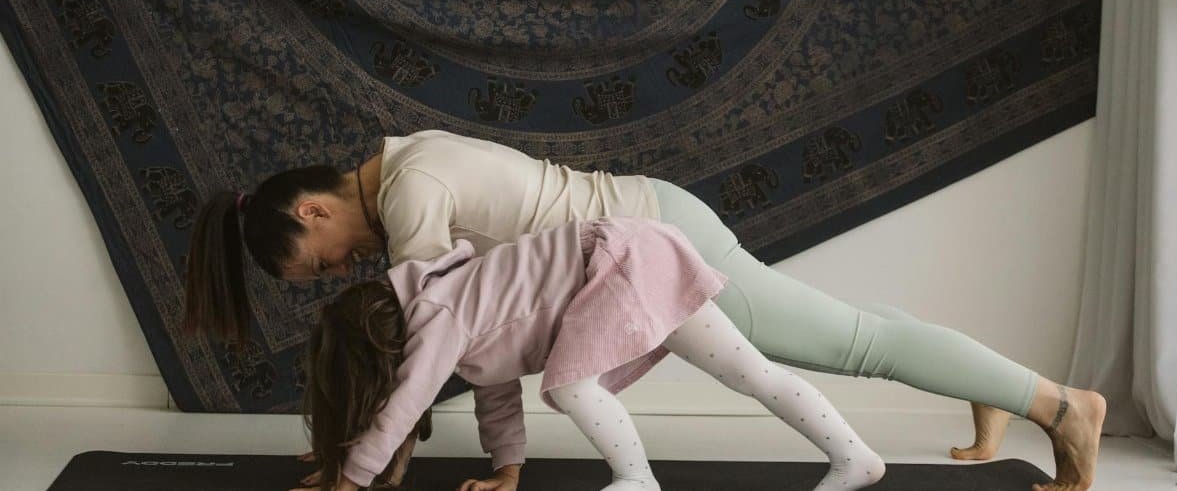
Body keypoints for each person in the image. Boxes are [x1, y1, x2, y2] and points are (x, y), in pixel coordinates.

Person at [185, 129, 1106, 491]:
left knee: (846, 343)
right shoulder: (407, 168)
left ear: (311, 210)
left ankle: (1062, 406)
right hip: (637, 232)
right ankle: (997, 389)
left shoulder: (409, 195)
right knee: (844, 331)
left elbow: (433, 354)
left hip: (640, 243)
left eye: (315, 261)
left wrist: (351, 457)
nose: (335, 271)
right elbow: (469, 351)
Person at [295, 216, 887, 491]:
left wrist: (351, 482)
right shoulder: (462, 318)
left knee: (571, 383)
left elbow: (407, 402)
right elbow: (495, 392)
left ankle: (636, 479)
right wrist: (508, 471)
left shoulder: (438, 313)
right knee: (752, 373)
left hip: (616, 261)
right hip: (639, 249)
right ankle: (855, 458)